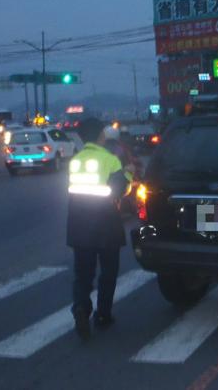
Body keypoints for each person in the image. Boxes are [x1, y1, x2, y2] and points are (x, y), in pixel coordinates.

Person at [67, 118, 132, 341]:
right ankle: (103, 315)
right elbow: (119, 192)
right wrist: (129, 175)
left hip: (78, 226)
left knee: (83, 274)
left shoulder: (75, 161)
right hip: (105, 225)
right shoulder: (110, 160)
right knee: (108, 272)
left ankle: (81, 308)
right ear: (100, 136)